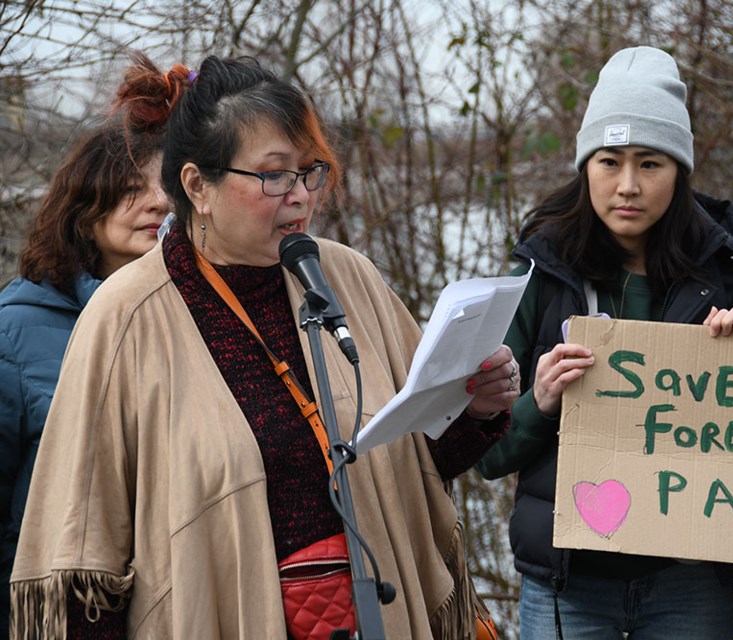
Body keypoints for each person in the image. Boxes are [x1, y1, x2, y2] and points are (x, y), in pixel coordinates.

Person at [10, 55, 517, 639]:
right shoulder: (124, 317)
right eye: (274, 175)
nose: (300, 196)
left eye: (311, 172)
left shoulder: (347, 277)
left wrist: (477, 406)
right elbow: (82, 560)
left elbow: (424, 457)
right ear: (198, 185)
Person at [475, 45, 733, 639]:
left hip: (690, 577)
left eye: (651, 164)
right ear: (585, 166)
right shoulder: (537, 275)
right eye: (609, 161)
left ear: (680, 170)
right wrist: (539, 402)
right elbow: (484, 453)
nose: (628, 186)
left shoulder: (725, 273)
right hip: (568, 581)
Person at [0, 90, 169, 636]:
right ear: (83, 209)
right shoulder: (15, 329)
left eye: (167, 190)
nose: (156, 204)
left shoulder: (188, 323)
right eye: (131, 189)